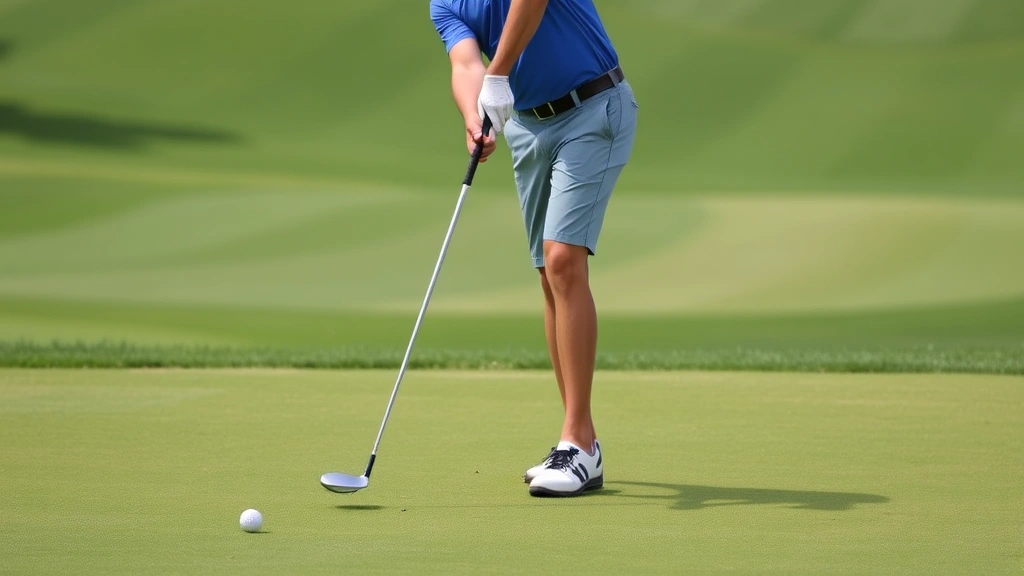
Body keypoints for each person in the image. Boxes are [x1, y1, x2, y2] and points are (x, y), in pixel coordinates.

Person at [428, 0, 638, 497]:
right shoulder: (444, 4)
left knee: (564, 259)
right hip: (528, 128)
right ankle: (578, 443)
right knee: (549, 272)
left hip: (593, 107)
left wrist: (497, 74)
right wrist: (473, 116)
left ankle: (578, 443)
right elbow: (465, 64)